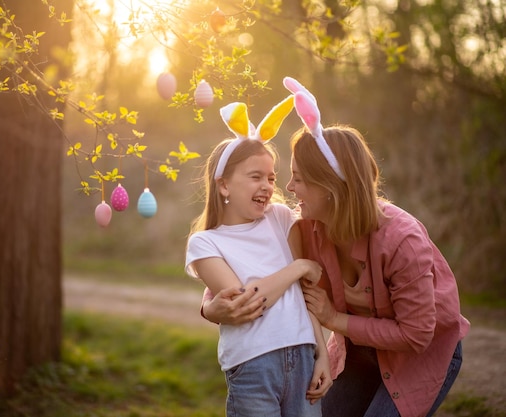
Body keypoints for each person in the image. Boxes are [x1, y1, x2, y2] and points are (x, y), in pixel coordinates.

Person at [201, 76, 471, 417]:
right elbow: (241, 258)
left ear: (330, 187)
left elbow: (416, 335)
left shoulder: (403, 241)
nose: (288, 186)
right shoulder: (306, 227)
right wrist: (211, 307)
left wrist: (333, 318)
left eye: (298, 178)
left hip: (421, 354)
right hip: (359, 350)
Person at [185, 97, 332, 417]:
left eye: (271, 178)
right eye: (255, 176)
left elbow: (304, 296)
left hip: (304, 360)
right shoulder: (205, 243)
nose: (267, 186)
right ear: (223, 184)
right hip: (253, 368)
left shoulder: (280, 218)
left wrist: (322, 353)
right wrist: (298, 267)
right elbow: (246, 304)